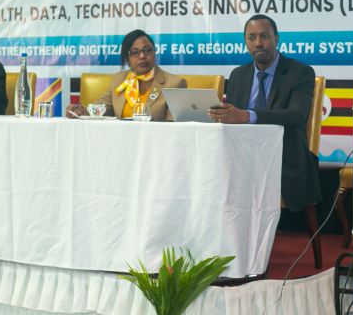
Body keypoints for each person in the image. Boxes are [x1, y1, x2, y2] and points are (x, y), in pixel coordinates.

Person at [208, 14, 321, 212]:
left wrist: (247, 116)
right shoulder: (238, 75)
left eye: (264, 36)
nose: (258, 43)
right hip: (241, 157)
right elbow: (233, 120)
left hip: (283, 158)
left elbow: (296, 116)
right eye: (252, 38)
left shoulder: (300, 72)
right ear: (245, 42)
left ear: (277, 39)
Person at [65, 29, 186, 120]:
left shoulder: (174, 84)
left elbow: (173, 128)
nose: (142, 56)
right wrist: (81, 110)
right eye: (135, 52)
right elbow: (103, 108)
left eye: (147, 50)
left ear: (154, 53)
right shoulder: (120, 80)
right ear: (127, 59)